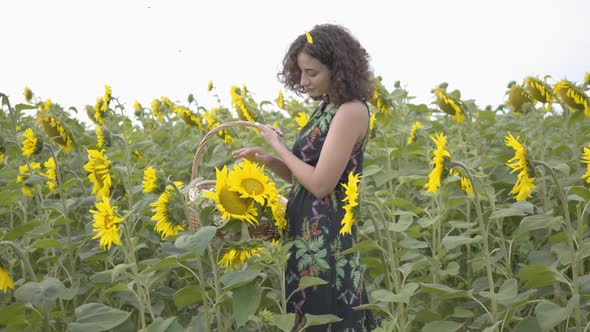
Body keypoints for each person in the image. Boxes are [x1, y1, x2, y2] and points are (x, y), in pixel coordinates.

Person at [233, 23, 375, 331]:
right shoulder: (328, 106)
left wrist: (279, 145)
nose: (303, 80)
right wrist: (269, 159)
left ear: (337, 70)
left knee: (326, 316)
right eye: (300, 72)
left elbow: (321, 185)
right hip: (302, 234)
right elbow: (304, 175)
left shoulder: (349, 111)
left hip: (324, 239)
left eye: (312, 72)